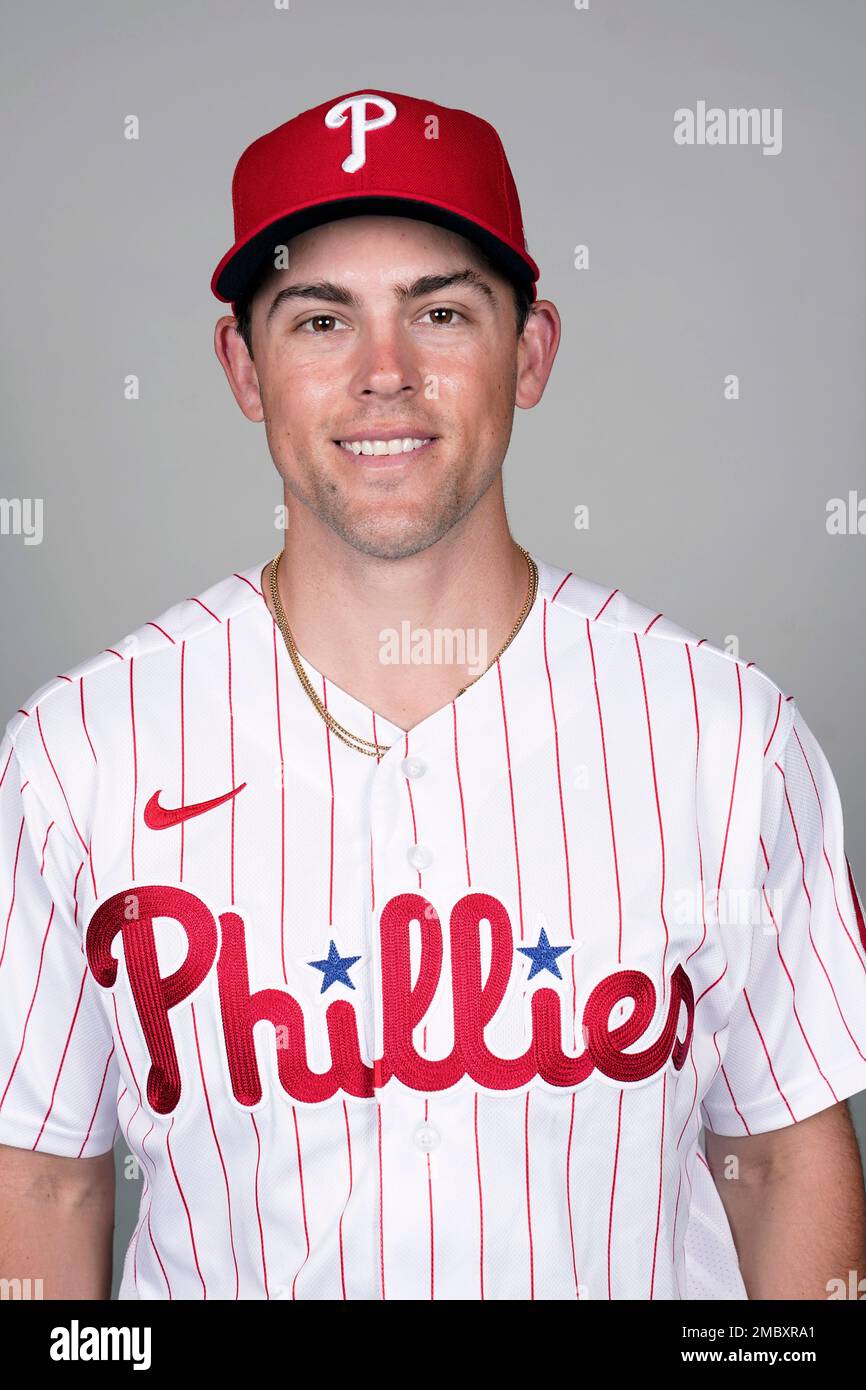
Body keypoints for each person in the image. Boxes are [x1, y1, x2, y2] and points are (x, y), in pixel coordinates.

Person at [1, 88, 865, 1302]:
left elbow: (778, 1163)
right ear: (243, 368)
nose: (384, 375)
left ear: (531, 351)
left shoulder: (723, 737)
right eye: (318, 320)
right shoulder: (76, 751)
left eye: (442, 311)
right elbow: (45, 1184)